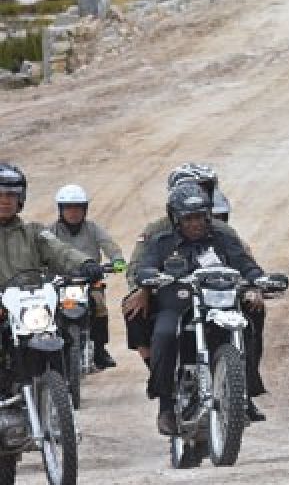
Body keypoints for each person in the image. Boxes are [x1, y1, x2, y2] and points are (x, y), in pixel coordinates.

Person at [124, 163, 270, 422]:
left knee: (248, 323)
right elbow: (142, 267)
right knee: (165, 332)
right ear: (176, 217)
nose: (195, 223)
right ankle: (166, 405)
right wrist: (145, 282)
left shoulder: (222, 236)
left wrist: (258, 281)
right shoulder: (160, 239)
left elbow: (245, 263)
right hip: (176, 303)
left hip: (218, 301)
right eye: (188, 218)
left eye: (200, 216)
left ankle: (243, 391)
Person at [49, 184, 126, 369]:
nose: (73, 212)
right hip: (61, 283)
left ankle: (100, 350)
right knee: (48, 312)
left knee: (99, 305)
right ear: (61, 210)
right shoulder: (51, 231)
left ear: (85, 209)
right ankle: (51, 351)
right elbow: (41, 250)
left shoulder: (93, 228)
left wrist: (117, 260)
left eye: (78, 207)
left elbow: (109, 245)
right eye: (68, 208)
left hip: (90, 281)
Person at [0, 163, 102, 289]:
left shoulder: (34, 232)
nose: (5, 200)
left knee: (79, 306)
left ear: (20, 198)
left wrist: (85, 263)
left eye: (10, 194)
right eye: (0, 195)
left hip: (33, 304)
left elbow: (60, 250)